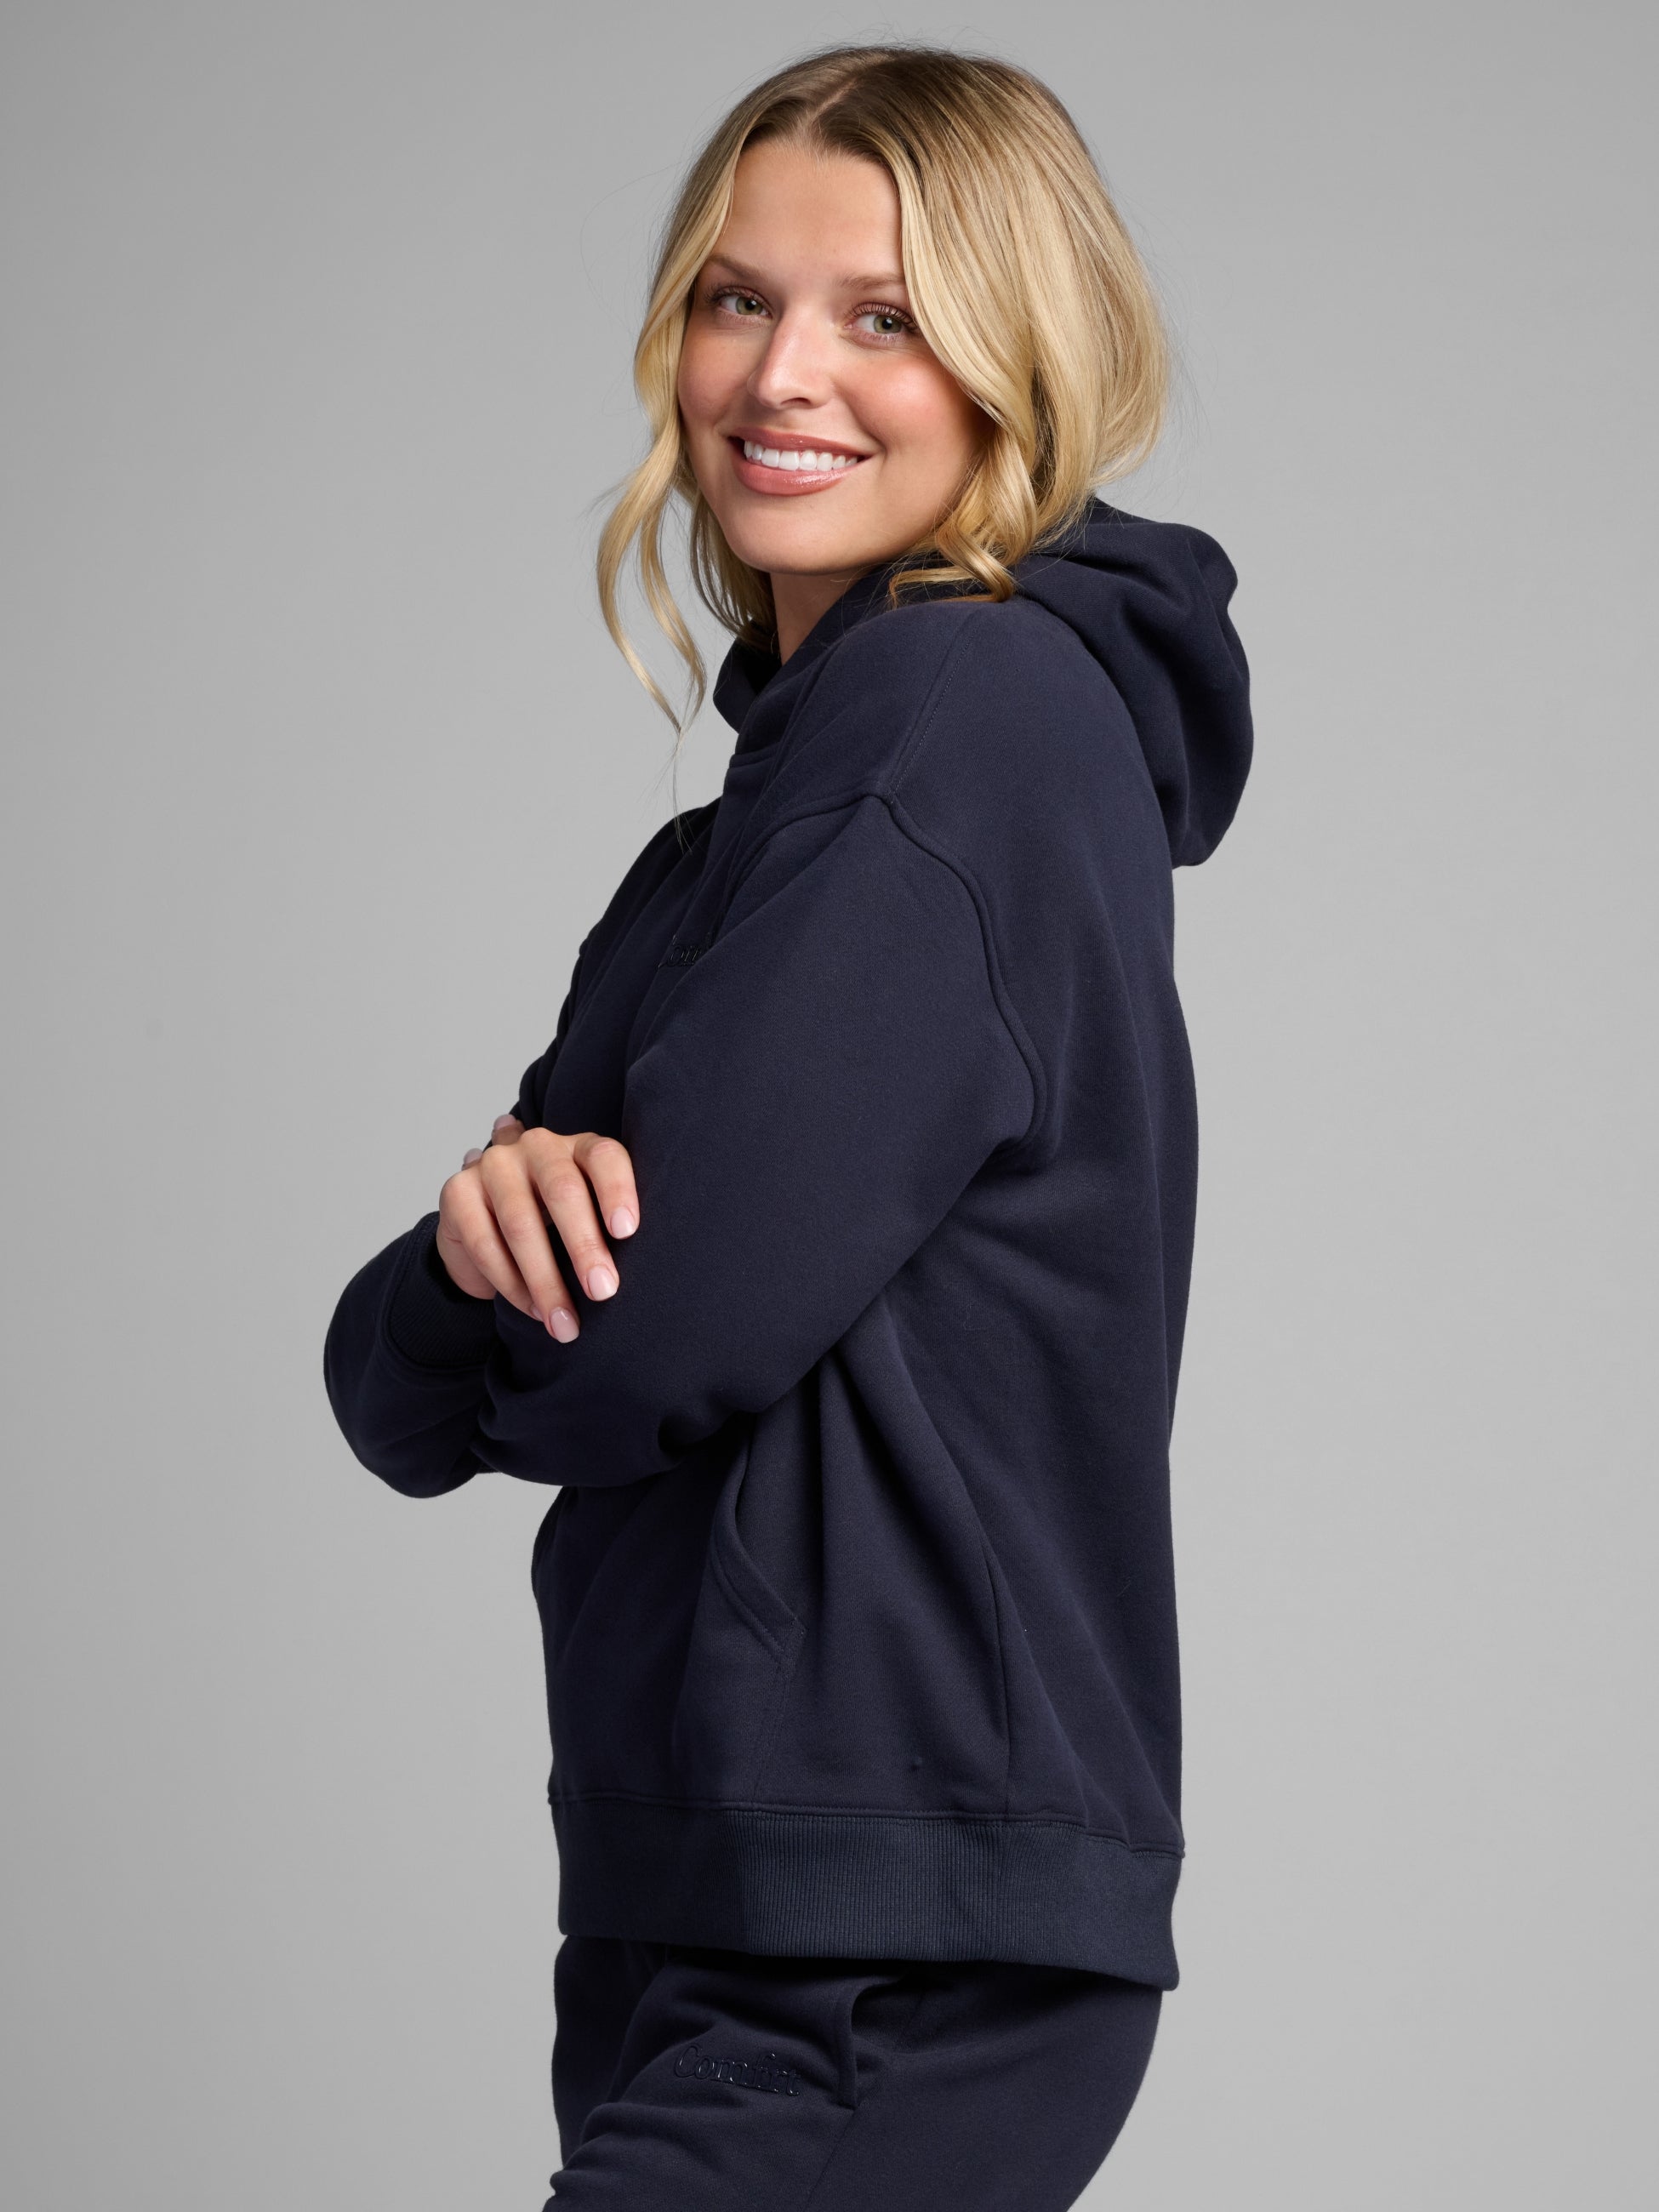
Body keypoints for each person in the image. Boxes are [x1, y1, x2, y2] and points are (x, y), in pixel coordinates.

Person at [323, 40, 1251, 2211]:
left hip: (875, 1927)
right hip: (739, 1886)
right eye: (737, 299)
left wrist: (489, 1277)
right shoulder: (757, 822)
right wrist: (471, 1259)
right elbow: (400, 1380)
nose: (781, 375)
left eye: (886, 315)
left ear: (1022, 360)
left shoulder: (959, 718)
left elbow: (652, 1317)